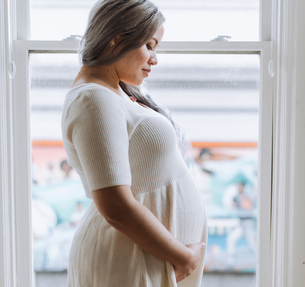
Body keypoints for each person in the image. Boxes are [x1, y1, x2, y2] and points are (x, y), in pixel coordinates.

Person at [60, 1, 207, 286]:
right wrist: (183, 257)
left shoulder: (113, 95)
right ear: (117, 38)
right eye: (149, 45)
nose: (154, 58)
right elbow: (114, 204)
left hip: (142, 255)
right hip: (128, 257)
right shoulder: (93, 99)